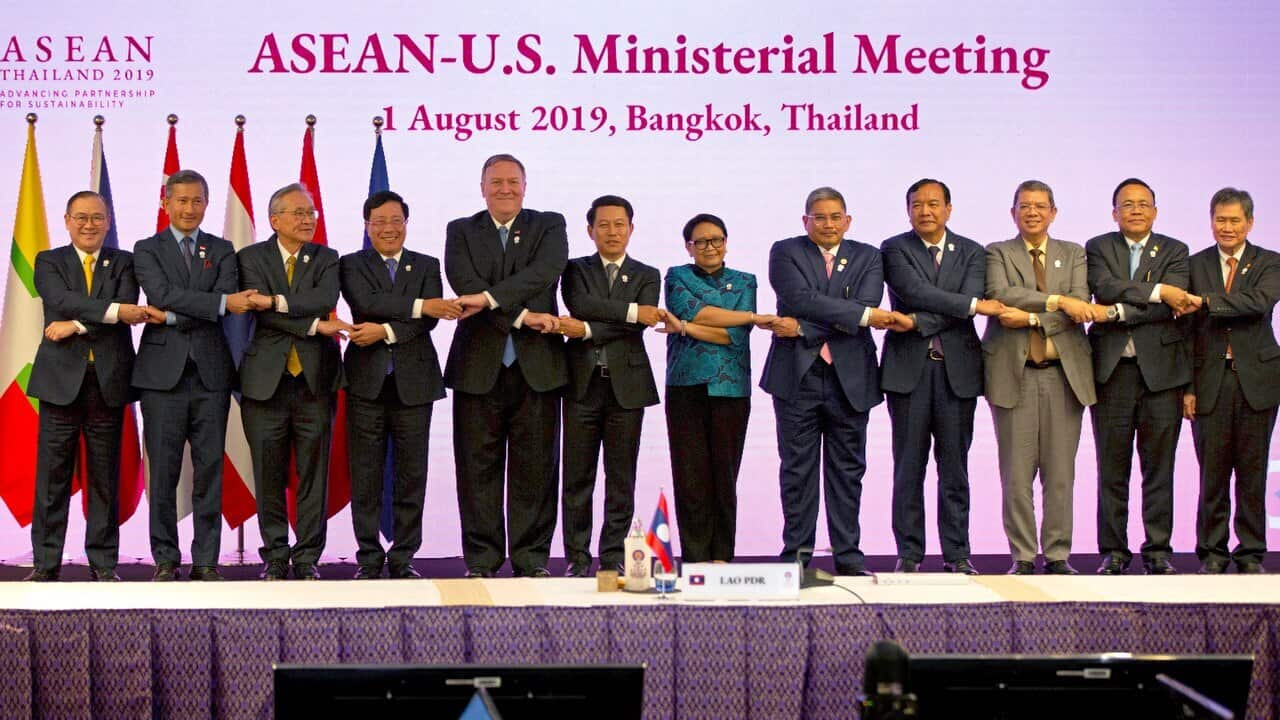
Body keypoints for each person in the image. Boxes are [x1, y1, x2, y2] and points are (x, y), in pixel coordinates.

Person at [760, 187, 896, 576]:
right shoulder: (785, 251)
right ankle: (796, 561)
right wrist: (855, 315)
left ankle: (849, 559)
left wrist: (802, 325)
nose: (828, 224)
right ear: (805, 221)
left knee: (848, 471)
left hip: (850, 377)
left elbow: (864, 304)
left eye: (836, 217)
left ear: (848, 221)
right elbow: (798, 297)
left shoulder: (869, 256)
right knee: (797, 471)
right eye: (819, 217)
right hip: (796, 377)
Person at [444, 154, 568, 578]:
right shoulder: (460, 231)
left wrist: (491, 299)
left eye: (513, 182)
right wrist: (520, 316)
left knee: (536, 468)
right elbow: (465, 286)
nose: (505, 189)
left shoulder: (549, 225)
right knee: (477, 468)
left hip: (538, 367)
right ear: (482, 188)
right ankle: (481, 559)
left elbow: (544, 274)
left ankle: (532, 559)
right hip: (478, 367)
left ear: (525, 185)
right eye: (495, 182)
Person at [880, 179, 1005, 575]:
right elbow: (914, 291)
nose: (926, 211)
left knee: (955, 467)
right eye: (917, 204)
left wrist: (917, 320)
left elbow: (951, 306)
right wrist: (969, 305)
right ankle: (910, 553)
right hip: (908, 373)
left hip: (957, 373)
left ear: (949, 208)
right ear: (908, 210)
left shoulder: (971, 251)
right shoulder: (894, 248)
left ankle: (957, 553)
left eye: (934, 204)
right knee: (908, 465)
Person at [25, 191, 151, 581]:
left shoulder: (125, 262)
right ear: (66, 221)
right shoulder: (49, 261)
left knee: (104, 480)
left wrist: (76, 325)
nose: (89, 224)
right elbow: (60, 299)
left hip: (108, 384)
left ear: (109, 221)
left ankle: (103, 564)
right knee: (52, 480)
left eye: (97, 218)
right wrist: (109, 312)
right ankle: (45, 565)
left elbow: (128, 304)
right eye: (81, 217)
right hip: (59, 384)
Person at [133, 169, 250, 582]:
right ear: (165, 203)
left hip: (211, 373)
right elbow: (161, 294)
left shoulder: (223, 248)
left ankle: (206, 560)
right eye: (181, 200)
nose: (189, 208)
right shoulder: (145, 249)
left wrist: (173, 315)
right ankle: (165, 558)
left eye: (197, 200)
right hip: (161, 375)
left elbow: (230, 298)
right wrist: (215, 304)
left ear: (206, 203)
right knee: (162, 473)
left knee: (209, 470)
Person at [340, 190, 461, 579]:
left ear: (406, 224)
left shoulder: (426, 264)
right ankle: (369, 557)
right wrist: (420, 305)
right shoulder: (351, 265)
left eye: (396, 221)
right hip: (365, 384)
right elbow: (367, 302)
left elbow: (431, 319)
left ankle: (405, 555)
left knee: (412, 474)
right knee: (366, 473)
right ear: (367, 226)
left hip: (415, 382)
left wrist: (390, 329)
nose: (389, 229)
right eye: (380, 222)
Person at [984, 179, 1099, 575]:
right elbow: (1001, 296)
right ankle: (1022, 556)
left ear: (1053, 212)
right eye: (1024, 206)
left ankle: (1058, 554)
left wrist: (1034, 317)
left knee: (1060, 472)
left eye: (1040, 206)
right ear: (1013, 212)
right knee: (1016, 475)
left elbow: (1080, 307)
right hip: (1013, 375)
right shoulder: (997, 252)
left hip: (1063, 376)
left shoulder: (1074, 254)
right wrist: (1057, 301)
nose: (1032, 212)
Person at [238, 182, 346, 580]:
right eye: (299, 213)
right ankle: (276, 556)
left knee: (313, 474)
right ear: (275, 220)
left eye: (311, 213)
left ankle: (307, 557)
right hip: (265, 382)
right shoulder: (250, 257)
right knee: (268, 473)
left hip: (315, 381)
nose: (307, 220)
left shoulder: (327, 257)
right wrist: (317, 325)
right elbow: (259, 313)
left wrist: (277, 301)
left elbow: (322, 297)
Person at [1085, 178, 1192, 575]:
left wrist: (1121, 310)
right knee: (1112, 468)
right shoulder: (1098, 247)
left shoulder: (1176, 250)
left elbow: (1173, 304)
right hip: (1112, 374)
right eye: (1126, 204)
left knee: (1159, 468)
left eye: (1143, 204)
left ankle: (1158, 550)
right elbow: (1104, 286)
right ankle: (1113, 551)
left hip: (1161, 377)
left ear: (1155, 211)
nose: (1135, 210)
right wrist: (1156, 291)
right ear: (1114, 212)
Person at [557, 195, 662, 577]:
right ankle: (577, 557)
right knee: (577, 476)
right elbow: (581, 303)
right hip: (581, 384)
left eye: (620, 224)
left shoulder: (649, 274)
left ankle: (613, 555)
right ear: (591, 231)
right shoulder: (574, 270)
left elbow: (637, 326)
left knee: (621, 477)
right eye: (604, 225)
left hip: (627, 387)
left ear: (631, 229)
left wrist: (586, 328)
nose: (612, 232)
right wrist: (633, 311)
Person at [660, 213, 770, 564]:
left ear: (726, 242)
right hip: (686, 384)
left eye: (717, 240)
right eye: (701, 242)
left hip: (731, 388)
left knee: (724, 474)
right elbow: (692, 310)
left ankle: (722, 556)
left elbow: (731, 334)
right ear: (688, 247)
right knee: (689, 475)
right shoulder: (676, 275)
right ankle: (694, 556)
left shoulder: (745, 281)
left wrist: (686, 328)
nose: (710, 247)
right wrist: (746, 317)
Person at [1183, 187, 1280, 574]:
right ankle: (1212, 552)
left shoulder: (1270, 263)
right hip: (1209, 381)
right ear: (1211, 222)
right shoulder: (1194, 264)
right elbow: (1186, 332)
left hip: (1258, 381)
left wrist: (1206, 302)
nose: (1227, 227)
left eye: (1234, 220)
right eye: (1220, 220)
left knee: (1253, 471)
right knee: (1213, 471)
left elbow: (1258, 302)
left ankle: (1252, 552)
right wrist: (1187, 387)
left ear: (1250, 223)